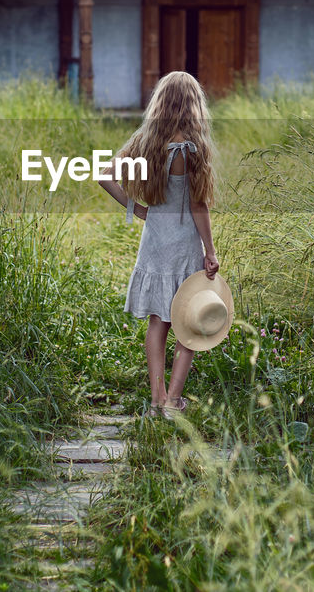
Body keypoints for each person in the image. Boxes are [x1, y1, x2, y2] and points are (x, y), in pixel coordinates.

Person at [98, 71, 220, 416]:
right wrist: (210, 251)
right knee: (189, 321)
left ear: (160, 104)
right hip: (183, 245)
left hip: (155, 241)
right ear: (194, 106)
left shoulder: (146, 143)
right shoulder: (194, 148)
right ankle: (172, 402)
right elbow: (198, 205)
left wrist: (138, 209)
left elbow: (105, 176)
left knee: (158, 322)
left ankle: (155, 399)